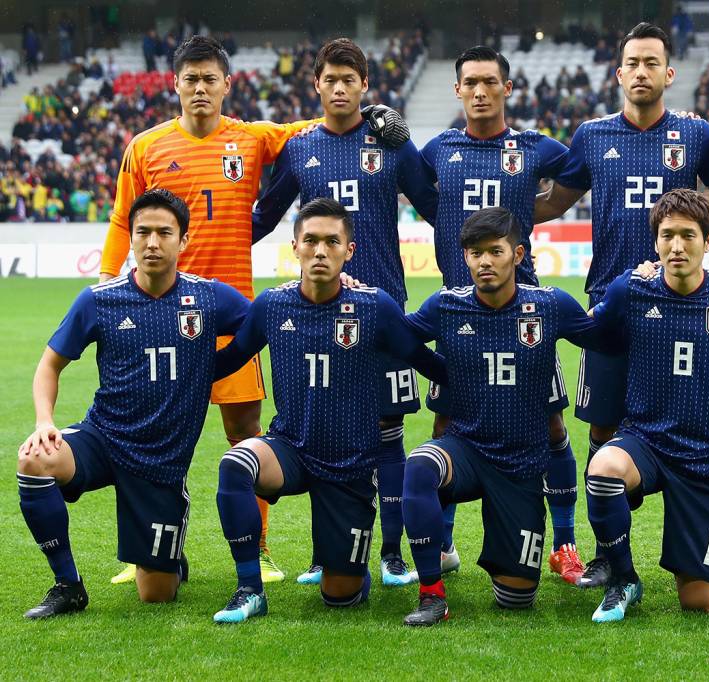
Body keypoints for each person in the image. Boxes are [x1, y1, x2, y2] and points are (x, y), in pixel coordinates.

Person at [99, 36, 405, 585]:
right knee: (149, 432)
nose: (199, 88)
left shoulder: (251, 138)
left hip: (232, 312)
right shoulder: (144, 147)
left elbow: (315, 129)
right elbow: (125, 220)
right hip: (157, 313)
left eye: (209, 79)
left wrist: (376, 114)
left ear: (226, 85)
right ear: (175, 84)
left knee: (245, 430)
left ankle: (258, 550)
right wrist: (107, 281)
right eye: (190, 79)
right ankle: (146, 549)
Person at [533, 22, 709, 588]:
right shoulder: (591, 136)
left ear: (669, 72)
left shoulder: (697, 135)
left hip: (682, 311)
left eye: (651, 62)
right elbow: (552, 200)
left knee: (699, 427)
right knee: (603, 432)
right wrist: (494, 201)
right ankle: (609, 556)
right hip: (610, 311)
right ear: (619, 74)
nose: (641, 72)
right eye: (631, 63)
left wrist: (688, 259)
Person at [251, 37, 436, 588]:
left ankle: (393, 553)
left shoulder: (391, 145)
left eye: (348, 80)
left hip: (382, 312)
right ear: (316, 85)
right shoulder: (301, 147)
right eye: (329, 79)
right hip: (318, 316)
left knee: (387, 430)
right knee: (322, 431)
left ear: (364, 86)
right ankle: (324, 552)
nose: (338, 88)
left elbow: (434, 206)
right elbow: (264, 215)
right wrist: (200, 245)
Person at [210, 198, 446, 623]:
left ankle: (351, 569)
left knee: (340, 597)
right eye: (311, 241)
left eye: (331, 242)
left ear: (348, 251)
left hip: (350, 464)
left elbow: (423, 359)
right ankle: (249, 589)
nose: (320, 251)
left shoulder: (375, 307)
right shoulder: (271, 305)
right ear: (295, 247)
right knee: (235, 462)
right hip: (290, 450)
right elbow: (228, 360)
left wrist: (477, 381)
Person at [17, 189, 250, 619]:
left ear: (183, 241)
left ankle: (169, 559)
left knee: (156, 594)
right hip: (103, 438)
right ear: (130, 237)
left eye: (164, 232)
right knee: (34, 459)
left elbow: (267, 322)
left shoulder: (209, 297)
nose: (152, 242)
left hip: (160, 463)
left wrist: (211, 367)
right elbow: (49, 365)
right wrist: (44, 421)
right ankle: (68, 585)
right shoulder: (99, 300)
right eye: (142, 232)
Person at [399, 207, 618, 626]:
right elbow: (396, 336)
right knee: (421, 465)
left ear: (517, 254)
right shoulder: (446, 306)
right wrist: (435, 369)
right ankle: (431, 595)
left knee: (516, 599)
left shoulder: (549, 305)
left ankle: (546, 549)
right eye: (476, 253)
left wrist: (631, 285)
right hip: (465, 450)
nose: (485, 262)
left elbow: (605, 337)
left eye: (495, 251)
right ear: (464, 257)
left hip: (520, 465)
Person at [419, 46, 582, 584]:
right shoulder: (438, 148)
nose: (481, 91)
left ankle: (564, 543)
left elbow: (582, 173)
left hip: (525, 315)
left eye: (491, 82)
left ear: (508, 89)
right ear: (458, 89)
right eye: (471, 82)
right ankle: (441, 545)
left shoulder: (535, 147)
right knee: (445, 423)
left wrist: (537, 211)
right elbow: (417, 193)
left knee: (551, 421)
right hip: (457, 315)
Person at [585, 188, 709, 622]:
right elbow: (590, 332)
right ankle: (623, 578)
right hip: (646, 441)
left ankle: (699, 557)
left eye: (688, 235)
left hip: (708, 457)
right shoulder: (630, 290)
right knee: (602, 469)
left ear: (708, 241)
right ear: (655, 242)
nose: (677, 246)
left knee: (699, 604)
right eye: (667, 235)